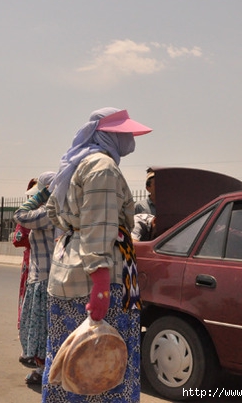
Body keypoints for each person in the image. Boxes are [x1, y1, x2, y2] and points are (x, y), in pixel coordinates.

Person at [42, 108, 151, 403]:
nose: (130, 138)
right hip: (97, 281)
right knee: (100, 367)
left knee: (68, 361)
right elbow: (98, 227)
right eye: (125, 133)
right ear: (109, 135)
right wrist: (101, 286)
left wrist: (73, 229)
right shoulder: (103, 167)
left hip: (68, 274)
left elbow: (54, 212)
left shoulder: (75, 165)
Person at [13, 171, 57, 386]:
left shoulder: (49, 212)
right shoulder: (55, 211)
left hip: (45, 278)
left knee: (43, 331)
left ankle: (45, 371)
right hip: (42, 277)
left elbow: (20, 214)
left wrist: (42, 195)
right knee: (43, 330)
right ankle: (44, 368)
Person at [12, 178, 37, 335]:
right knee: (29, 301)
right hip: (31, 265)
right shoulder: (28, 216)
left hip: (50, 266)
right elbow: (18, 238)